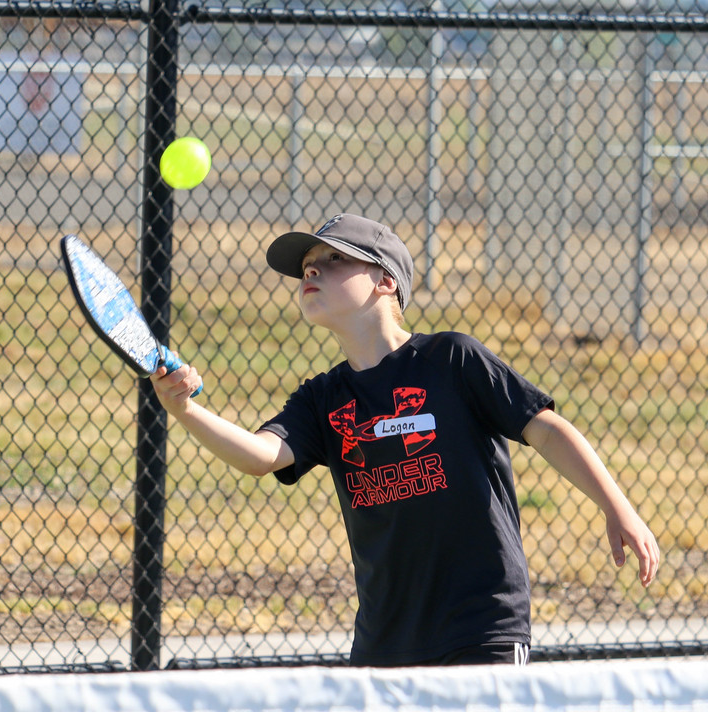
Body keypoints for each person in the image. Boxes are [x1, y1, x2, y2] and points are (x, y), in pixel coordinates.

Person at [151, 213, 659, 668]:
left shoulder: (453, 360)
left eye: (333, 259)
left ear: (386, 281)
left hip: (481, 628)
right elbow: (261, 455)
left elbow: (546, 428)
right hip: (384, 641)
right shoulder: (323, 398)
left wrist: (617, 507)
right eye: (306, 265)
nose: (312, 270)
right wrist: (186, 410)